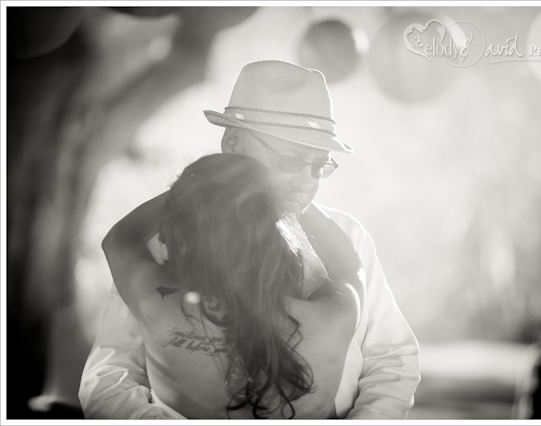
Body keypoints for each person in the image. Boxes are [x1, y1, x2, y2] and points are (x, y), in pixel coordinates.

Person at [79, 60, 420, 420]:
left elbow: (391, 361)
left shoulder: (350, 235)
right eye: (290, 159)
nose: (308, 183)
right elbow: (110, 374)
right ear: (233, 142)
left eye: (319, 167)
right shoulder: (160, 243)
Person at [102, 153, 365, 419]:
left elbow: (120, 239)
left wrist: (198, 186)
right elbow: (351, 267)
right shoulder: (333, 319)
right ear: (273, 235)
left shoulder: (158, 306)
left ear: (181, 237)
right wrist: (289, 195)